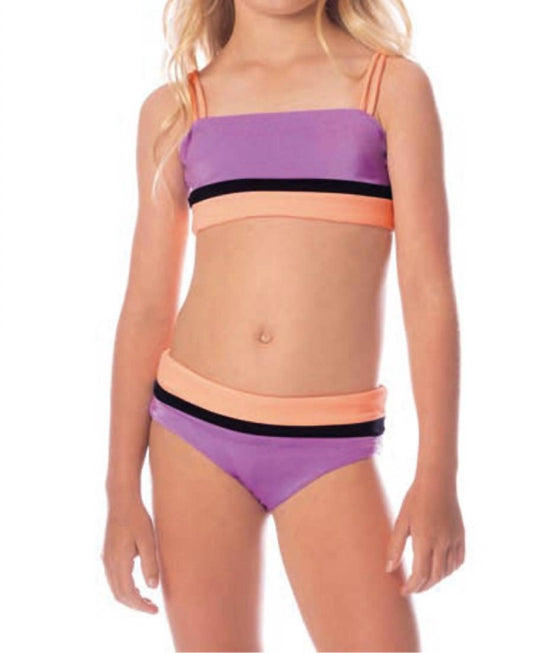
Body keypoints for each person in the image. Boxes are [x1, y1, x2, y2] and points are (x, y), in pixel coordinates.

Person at [102, 0, 465, 650]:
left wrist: (437, 472)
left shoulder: (389, 89)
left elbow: (428, 291)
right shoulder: (177, 109)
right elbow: (146, 308)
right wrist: (120, 489)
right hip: (193, 435)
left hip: (330, 445)